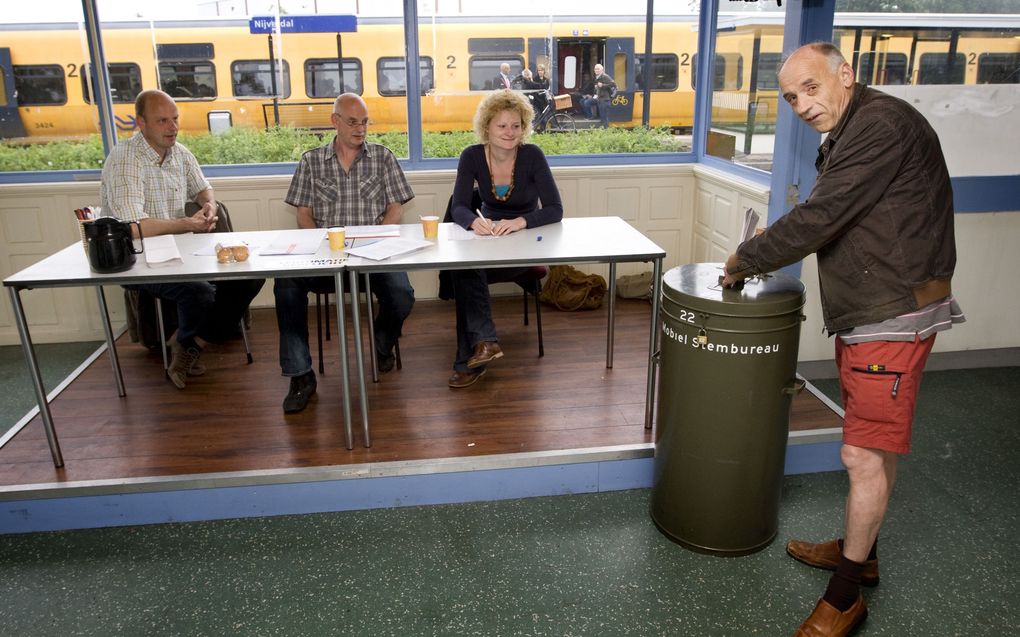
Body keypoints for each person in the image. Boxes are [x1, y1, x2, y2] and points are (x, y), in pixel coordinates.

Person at [721, 43, 963, 637]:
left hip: (891, 311)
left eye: (810, 87)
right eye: (791, 98)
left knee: (860, 454)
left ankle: (846, 595)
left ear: (845, 74)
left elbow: (821, 218)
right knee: (872, 448)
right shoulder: (857, 123)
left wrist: (743, 259)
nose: (802, 106)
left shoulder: (879, 125)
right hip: (872, 306)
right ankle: (865, 551)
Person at [100, 89, 264, 390]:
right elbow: (133, 228)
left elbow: (204, 188)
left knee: (251, 276)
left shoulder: (180, 152)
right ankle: (187, 343)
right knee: (199, 292)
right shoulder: (126, 159)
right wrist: (186, 223)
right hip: (139, 259)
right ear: (141, 123)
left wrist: (208, 206)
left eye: (175, 119)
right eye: (162, 121)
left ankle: (189, 343)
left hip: (180, 251)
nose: (172, 127)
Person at [275, 93, 415, 414]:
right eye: (353, 122)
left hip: (373, 254)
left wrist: (379, 241)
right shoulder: (311, 161)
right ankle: (300, 375)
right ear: (334, 120)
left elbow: (395, 209)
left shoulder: (382, 157)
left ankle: (380, 344)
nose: (360, 128)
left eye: (364, 122)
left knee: (402, 294)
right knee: (286, 283)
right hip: (326, 254)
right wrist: (321, 246)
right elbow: (304, 215)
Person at [447, 90, 563, 389]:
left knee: (466, 276)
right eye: (502, 126)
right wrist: (474, 222)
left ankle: (468, 362)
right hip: (487, 240)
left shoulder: (533, 155)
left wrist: (521, 221)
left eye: (516, 125)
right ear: (487, 127)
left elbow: (555, 209)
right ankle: (483, 345)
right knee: (466, 271)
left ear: (524, 127)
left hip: (525, 243)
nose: (510, 133)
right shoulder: (471, 155)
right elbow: (458, 206)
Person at [589, 63, 617, 128]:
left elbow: (614, 84)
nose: (596, 70)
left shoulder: (605, 76)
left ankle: (606, 132)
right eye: (595, 69)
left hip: (605, 100)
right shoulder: (597, 77)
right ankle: (603, 131)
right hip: (600, 99)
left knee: (604, 118)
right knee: (602, 116)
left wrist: (602, 85)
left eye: (598, 69)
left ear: (602, 70)